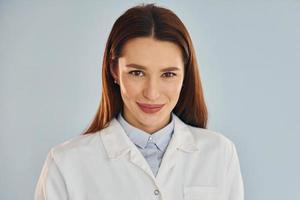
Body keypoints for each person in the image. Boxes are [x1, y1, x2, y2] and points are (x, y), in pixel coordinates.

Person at [34, 3, 244, 200]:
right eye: (137, 72)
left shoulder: (219, 153)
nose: (152, 93)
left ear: (185, 75)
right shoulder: (66, 164)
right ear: (114, 70)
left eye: (168, 74)